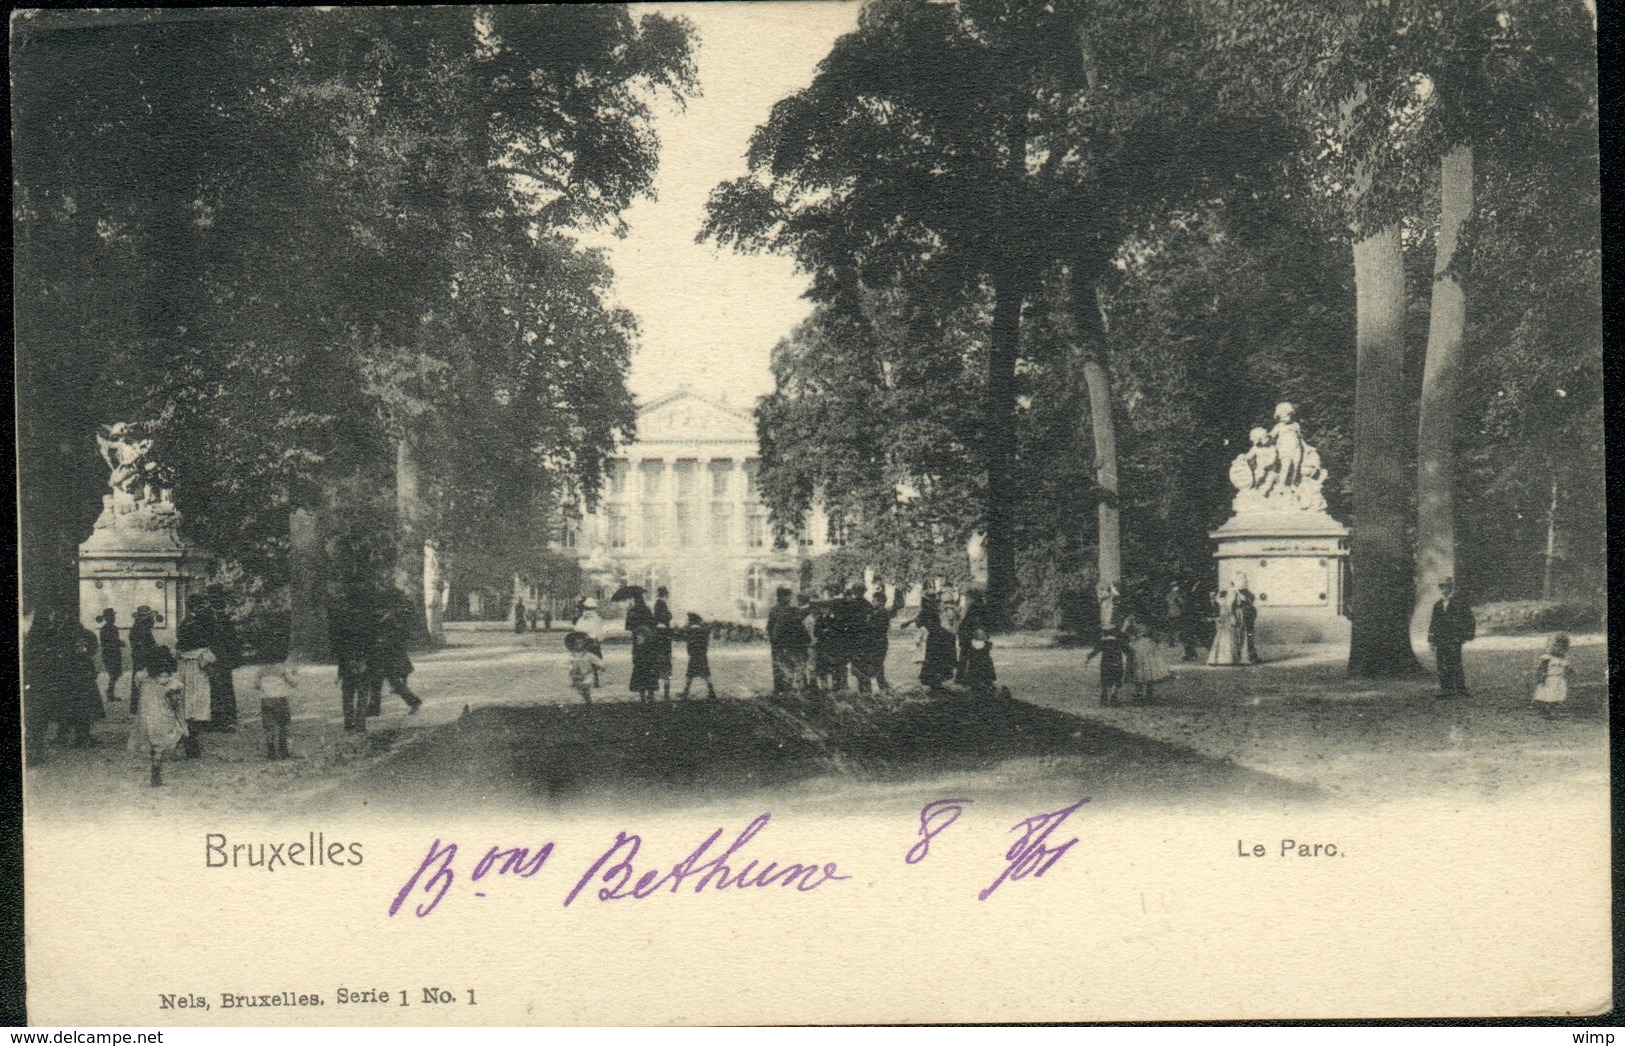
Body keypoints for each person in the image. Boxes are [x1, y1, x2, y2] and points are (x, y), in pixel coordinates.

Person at [128, 647, 185, 786]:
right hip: (162, 716)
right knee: (163, 742)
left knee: (151, 742)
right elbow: (175, 702)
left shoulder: (142, 678)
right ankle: (156, 772)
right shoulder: (171, 682)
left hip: (146, 716)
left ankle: (155, 773)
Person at [370, 584, 423, 716]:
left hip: (389, 653)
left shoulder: (391, 617)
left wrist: (385, 640)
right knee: (376, 680)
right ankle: (374, 708)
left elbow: (398, 635)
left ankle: (414, 702)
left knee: (392, 681)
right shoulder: (383, 616)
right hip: (382, 652)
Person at [328, 584, 374, 733]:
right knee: (362, 695)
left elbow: (339, 646)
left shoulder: (342, 620)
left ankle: (349, 724)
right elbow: (370, 644)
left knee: (348, 695)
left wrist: (340, 671)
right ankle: (360, 724)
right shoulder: (366, 621)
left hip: (347, 662)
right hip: (362, 662)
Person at [174, 610, 217, 758]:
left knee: (185, 710)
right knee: (196, 712)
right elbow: (210, 668)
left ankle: (185, 739)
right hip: (198, 683)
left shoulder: (180, 651)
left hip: (183, 682)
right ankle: (193, 745)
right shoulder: (202, 652)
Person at [1427, 577, 1476, 698]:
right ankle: (1446, 690)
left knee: (1455, 662)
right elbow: (1433, 623)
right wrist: (1431, 640)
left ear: (1451, 588)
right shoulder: (1437, 605)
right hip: (1440, 639)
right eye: (1442, 587)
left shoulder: (1460, 603)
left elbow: (1470, 619)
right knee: (1442, 664)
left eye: (1447, 587)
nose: (1444, 589)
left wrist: (1466, 635)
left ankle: (1461, 689)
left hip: (1454, 638)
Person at [202, 598, 242, 731]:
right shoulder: (216, 619)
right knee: (220, 689)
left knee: (219, 689)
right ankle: (223, 719)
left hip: (219, 659)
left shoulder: (213, 618)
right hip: (219, 659)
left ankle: (224, 719)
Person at [253, 662, 298, 760]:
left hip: (266, 700)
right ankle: (283, 750)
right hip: (280, 700)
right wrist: (293, 674)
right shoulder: (282, 669)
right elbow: (294, 683)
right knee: (283, 725)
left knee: (269, 727)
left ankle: (271, 751)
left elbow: (256, 686)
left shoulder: (261, 671)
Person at [767, 587, 808, 693]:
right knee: (786, 665)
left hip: (779, 644)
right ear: (782, 597)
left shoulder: (774, 610)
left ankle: (780, 689)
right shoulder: (788, 610)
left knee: (780, 666)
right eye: (788, 596)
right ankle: (785, 689)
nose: (790, 598)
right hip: (784, 643)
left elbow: (769, 628)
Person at [913, 595, 958, 692]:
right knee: (935, 661)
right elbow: (927, 625)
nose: (938, 604)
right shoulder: (927, 613)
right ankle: (935, 683)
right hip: (933, 639)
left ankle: (935, 683)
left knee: (936, 661)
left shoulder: (929, 612)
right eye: (936, 602)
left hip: (935, 639)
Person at [1125, 613, 1173, 702]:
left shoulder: (1132, 618)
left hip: (1141, 644)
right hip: (1146, 644)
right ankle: (1147, 692)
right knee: (1146, 666)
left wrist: (1131, 637)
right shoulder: (1148, 617)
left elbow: (1124, 631)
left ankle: (1141, 692)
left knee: (1141, 666)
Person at [625, 590, 660, 702]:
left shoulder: (632, 611)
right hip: (649, 644)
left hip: (638, 644)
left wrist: (629, 612)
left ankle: (642, 697)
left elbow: (628, 627)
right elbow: (653, 624)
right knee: (650, 668)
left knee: (639, 669)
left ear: (634, 600)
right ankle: (651, 695)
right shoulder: (647, 610)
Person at [675, 612, 717, 700]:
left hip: (693, 656)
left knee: (690, 675)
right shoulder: (703, 631)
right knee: (706, 675)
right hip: (702, 656)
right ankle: (711, 692)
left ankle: (685, 693)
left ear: (691, 622)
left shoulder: (689, 631)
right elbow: (706, 642)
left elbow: (679, 638)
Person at [1085, 625, 1128, 707]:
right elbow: (1128, 651)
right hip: (1117, 664)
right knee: (1116, 681)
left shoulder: (1102, 642)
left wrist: (1088, 658)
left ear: (1104, 633)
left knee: (1105, 682)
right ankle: (1113, 698)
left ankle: (1104, 699)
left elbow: (1095, 651)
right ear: (1115, 633)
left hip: (1105, 665)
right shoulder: (1119, 642)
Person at [127, 605, 159, 714]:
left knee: (139, 682)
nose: (152, 620)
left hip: (141, 658)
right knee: (140, 682)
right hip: (142, 659)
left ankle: (136, 708)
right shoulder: (140, 629)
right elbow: (140, 646)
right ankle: (137, 709)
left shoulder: (140, 628)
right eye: (150, 617)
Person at [1531, 632, 1571, 717]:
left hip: (1559, 679)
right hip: (1549, 679)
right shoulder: (1548, 658)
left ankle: (1554, 710)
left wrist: (1570, 672)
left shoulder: (1564, 660)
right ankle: (1544, 709)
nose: (1559, 649)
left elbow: (1567, 668)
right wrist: (1541, 675)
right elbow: (1542, 668)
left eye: (1562, 647)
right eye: (1556, 646)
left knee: (1557, 696)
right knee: (1546, 694)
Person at [955, 589, 989, 684]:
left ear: (972, 598)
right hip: (975, 636)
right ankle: (980, 679)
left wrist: (963, 632)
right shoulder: (980, 607)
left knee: (966, 658)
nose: (967, 600)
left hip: (971, 636)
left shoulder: (974, 607)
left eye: (968, 598)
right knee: (979, 658)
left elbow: (969, 623)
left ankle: (963, 679)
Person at [1206, 589, 1244, 666]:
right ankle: (1228, 658)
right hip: (1227, 621)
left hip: (1224, 621)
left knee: (1221, 639)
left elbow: (1220, 614)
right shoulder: (1229, 603)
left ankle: (1219, 658)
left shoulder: (1220, 602)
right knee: (1229, 639)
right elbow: (1231, 612)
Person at [565, 631, 602, 703]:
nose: (579, 645)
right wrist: (569, 668)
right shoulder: (571, 655)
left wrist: (600, 665)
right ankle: (582, 701)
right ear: (573, 645)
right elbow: (565, 663)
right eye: (577, 643)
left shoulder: (588, 655)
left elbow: (597, 660)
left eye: (581, 643)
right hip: (575, 675)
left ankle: (587, 701)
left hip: (587, 674)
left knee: (586, 687)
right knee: (576, 691)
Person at [575, 599, 606, 687]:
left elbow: (577, 629)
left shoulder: (582, 618)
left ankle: (582, 679)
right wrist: (598, 640)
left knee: (583, 660)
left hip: (584, 641)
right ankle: (596, 680)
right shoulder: (597, 618)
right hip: (593, 642)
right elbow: (601, 632)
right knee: (595, 661)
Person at [961, 624, 997, 697]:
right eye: (978, 634)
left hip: (981, 663)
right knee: (977, 676)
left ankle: (985, 686)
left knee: (984, 675)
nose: (980, 635)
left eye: (981, 634)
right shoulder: (975, 644)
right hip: (978, 663)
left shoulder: (985, 644)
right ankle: (980, 687)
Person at [1165, 584, 1198, 662]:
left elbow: (1167, 603)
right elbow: (1182, 602)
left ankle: (1171, 640)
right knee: (1183, 631)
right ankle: (1189, 652)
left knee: (1173, 628)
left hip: (1171, 613)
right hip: (1178, 614)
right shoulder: (1177, 595)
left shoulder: (1168, 595)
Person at [653, 587, 675, 700]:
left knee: (655, 670)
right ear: (666, 595)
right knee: (667, 671)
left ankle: (651, 695)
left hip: (657, 651)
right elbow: (667, 616)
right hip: (665, 652)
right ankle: (666, 694)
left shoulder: (657, 604)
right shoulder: (662, 604)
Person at [98, 609, 125, 703]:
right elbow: (110, 642)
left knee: (114, 675)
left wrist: (118, 643)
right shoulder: (110, 629)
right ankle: (110, 693)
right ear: (106, 618)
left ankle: (110, 693)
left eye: (113, 616)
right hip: (111, 654)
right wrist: (119, 643)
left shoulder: (109, 628)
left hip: (111, 654)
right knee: (114, 675)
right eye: (111, 616)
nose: (113, 618)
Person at [1235, 585, 1261, 665]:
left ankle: (1248, 656)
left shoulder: (1243, 593)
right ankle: (1247, 656)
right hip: (1245, 616)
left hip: (1247, 615)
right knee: (1245, 635)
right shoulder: (1239, 593)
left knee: (1247, 635)